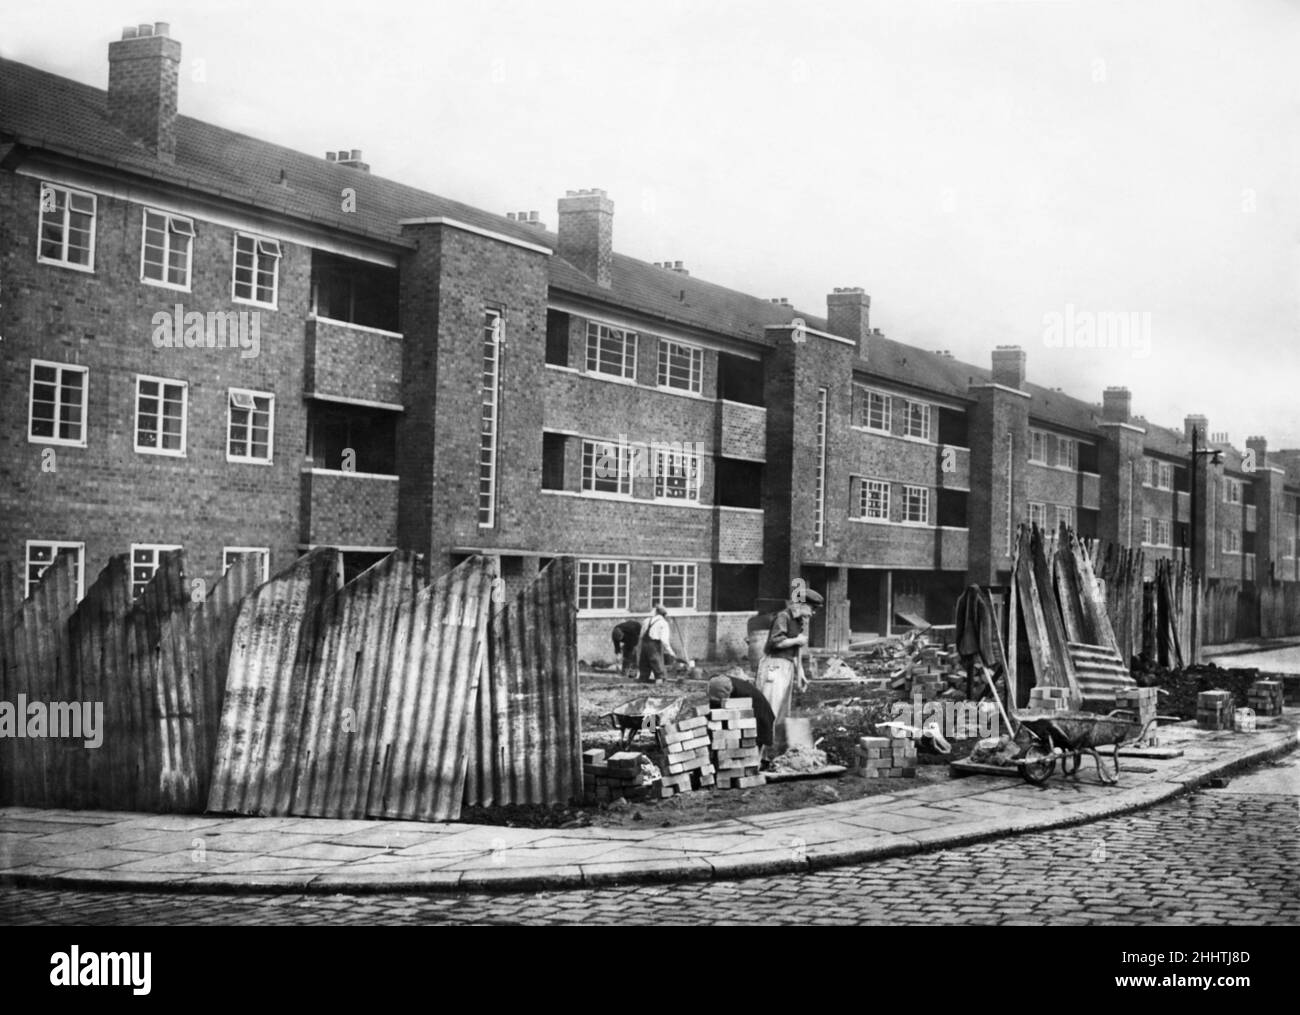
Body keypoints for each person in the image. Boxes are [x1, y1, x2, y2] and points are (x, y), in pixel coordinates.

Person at [756, 586, 823, 723]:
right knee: (771, 708)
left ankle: (776, 743)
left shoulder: (799, 622)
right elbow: (776, 642)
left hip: (787, 666)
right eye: (813, 608)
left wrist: (801, 673)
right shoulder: (784, 616)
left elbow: (794, 653)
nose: (813, 613)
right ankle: (762, 742)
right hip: (774, 666)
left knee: (782, 711)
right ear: (802, 604)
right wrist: (797, 640)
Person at [708, 672, 776, 756]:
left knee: (752, 745)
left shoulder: (746, 696)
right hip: (751, 715)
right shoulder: (721, 682)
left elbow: (752, 724)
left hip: (761, 718)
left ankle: (757, 763)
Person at [638, 605, 676, 683]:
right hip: (654, 646)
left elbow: (641, 635)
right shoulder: (663, 623)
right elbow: (664, 640)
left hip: (644, 645)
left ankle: (641, 686)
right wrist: (671, 653)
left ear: (656, 612)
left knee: (644, 669)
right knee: (659, 671)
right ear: (664, 615)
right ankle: (659, 689)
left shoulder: (646, 620)